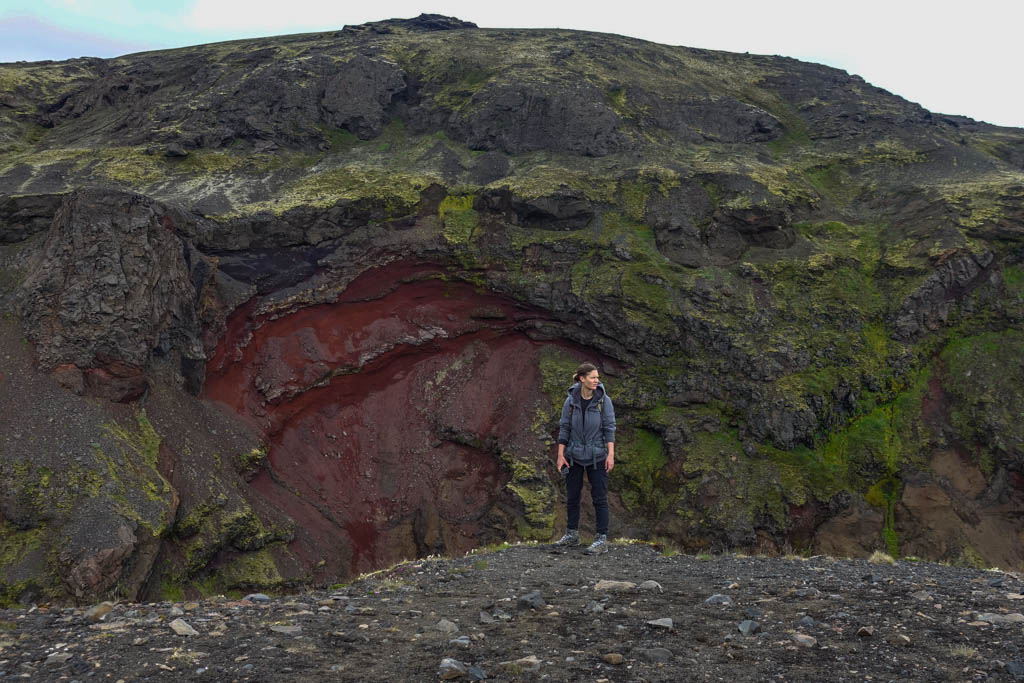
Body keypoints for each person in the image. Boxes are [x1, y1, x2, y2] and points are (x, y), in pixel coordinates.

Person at [553, 362, 616, 554]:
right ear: (582, 379)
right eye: (592, 377)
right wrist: (560, 455)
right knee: (572, 497)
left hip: (597, 456)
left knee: (599, 498)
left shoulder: (604, 401)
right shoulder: (570, 401)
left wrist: (610, 455)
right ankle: (571, 535)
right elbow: (565, 427)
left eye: (597, 378)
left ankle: (601, 539)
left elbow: (609, 427)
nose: (596, 381)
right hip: (573, 456)